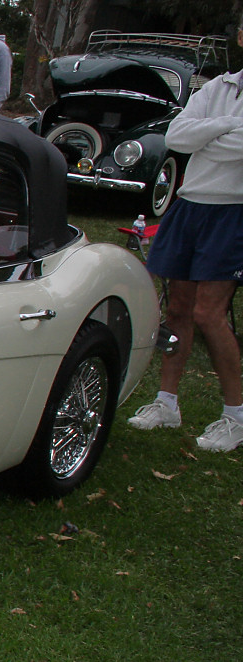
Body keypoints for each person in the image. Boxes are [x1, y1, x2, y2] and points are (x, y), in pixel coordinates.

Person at [126, 21, 243, 452]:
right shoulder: (221, 87)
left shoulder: (215, 100)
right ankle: (166, 402)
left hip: (234, 210)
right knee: (177, 309)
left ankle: (235, 415)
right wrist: (227, 126)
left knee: (210, 315)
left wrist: (209, 131)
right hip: (190, 204)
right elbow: (177, 136)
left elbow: (207, 141)